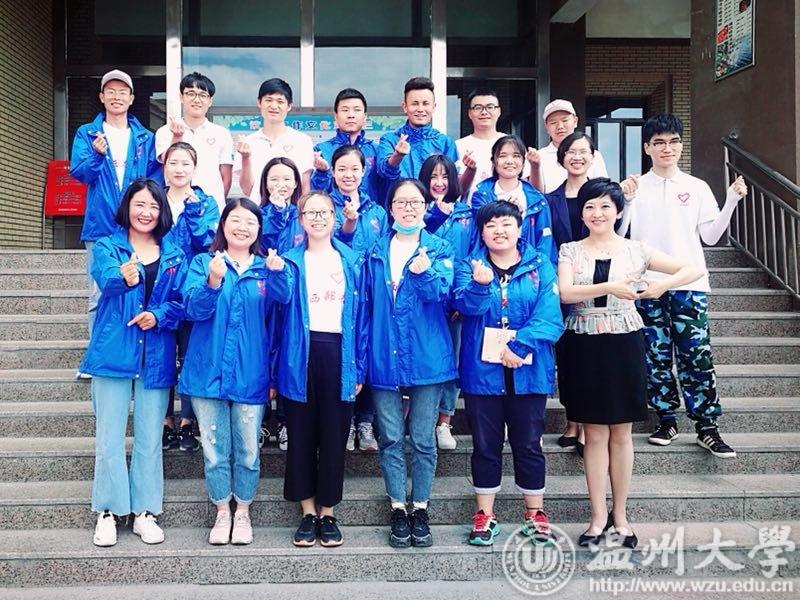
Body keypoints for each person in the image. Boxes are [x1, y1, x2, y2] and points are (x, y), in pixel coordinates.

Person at [557, 178, 703, 549]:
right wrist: (608, 287)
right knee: (594, 433)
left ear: (619, 211)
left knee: (621, 433)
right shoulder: (570, 250)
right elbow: (567, 293)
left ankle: (620, 516)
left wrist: (659, 287)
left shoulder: (636, 249)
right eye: (590, 206)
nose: (597, 213)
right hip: (584, 342)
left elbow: (692, 269)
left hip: (624, 341)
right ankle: (597, 517)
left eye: (605, 206)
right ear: (582, 213)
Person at [620, 113, 747, 458]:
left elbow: (711, 236)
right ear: (647, 147)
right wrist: (626, 201)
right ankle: (666, 419)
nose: (667, 148)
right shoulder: (635, 187)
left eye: (674, 141)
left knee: (697, 355)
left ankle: (707, 426)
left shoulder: (696, 187)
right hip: (647, 286)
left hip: (690, 285)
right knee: (655, 356)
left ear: (680, 145)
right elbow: (621, 235)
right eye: (659, 142)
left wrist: (731, 201)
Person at [78, 178, 185, 547]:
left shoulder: (174, 254)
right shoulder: (109, 246)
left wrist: (159, 315)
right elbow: (106, 279)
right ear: (127, 207)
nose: (146, 212)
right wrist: (122, 277)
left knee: (150, 439)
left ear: (162, 212)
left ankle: (144, 512)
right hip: (113, 353)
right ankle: (108, 511)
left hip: (155, 355)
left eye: (154, 206)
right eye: (140, 204)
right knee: (109, 438)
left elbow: (181, 303)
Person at [179, 198, 290, 546]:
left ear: (259, 229)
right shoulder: (203, 263)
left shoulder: (265, 268)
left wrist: (277, 273)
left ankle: (242, 510)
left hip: (251, 374)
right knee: (214, 451)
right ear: (223, 224)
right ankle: (221, 511)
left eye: (250, 222)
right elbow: (192, 310)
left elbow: (281, 311)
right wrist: (213, 281)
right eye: (236, 220)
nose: (242, 228)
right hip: (207, 373)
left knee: (248, 451)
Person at [453, 200, 564, 547]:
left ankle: (535, 513)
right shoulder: (469, 266)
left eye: (506, 224)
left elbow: (550, 315)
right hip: (482, 372)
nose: (499, 231)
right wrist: (479, 285)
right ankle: (485, 514)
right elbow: (463, 307)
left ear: (519, 228)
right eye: (491, 225)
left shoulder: (540, 265)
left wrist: (521, 345)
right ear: (481, 232)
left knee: (529, 443)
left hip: (529, 371)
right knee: (485, 444)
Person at [364, 178, 457, 548]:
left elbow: (442, 293)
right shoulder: (375, 250)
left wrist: (423, 273)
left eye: (415, 202)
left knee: (422, 438)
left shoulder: (439, 248)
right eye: (401, 202)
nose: (408, 208)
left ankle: (420, 506)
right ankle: (397, 507)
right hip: (383, 355)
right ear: (390, 208)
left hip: (427, 355)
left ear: (425, 206)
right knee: (389, 437)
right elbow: (364, 307)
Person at [274, 191, 366, 547]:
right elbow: (279, 308)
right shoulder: (289, 261)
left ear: (335, 217)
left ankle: (328, 512)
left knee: (333, 435)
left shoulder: (351, 260)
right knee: (300, 435)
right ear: (301, 220)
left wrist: (359, 367)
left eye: (324, 212)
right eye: (310, 212)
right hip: (299, 353)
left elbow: (362, 317)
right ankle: (307, 512)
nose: (317, 218)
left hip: (340, 352)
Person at [70, 69, 162, 343]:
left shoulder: (145, 137)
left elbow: (154, 181)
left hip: (137, 227)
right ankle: (97, 354)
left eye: (122, 92)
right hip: (100, 226)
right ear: (102, 97)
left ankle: (131, 350)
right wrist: (97, 156)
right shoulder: (88, 133)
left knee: (138, 289)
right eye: (110, 91)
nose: (116, 97)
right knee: (99, 293)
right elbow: (80, 173)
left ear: (131, 98)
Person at [159, 141, 220, 453]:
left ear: (195, 168)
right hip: (160, 288)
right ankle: (164, 420)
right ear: (164, 166)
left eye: (185, 163)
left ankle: (187, 421)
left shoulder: (206, 203)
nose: (179, 169)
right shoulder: (154, 199)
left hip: (193, 287)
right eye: (173, 162)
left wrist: (194, 213)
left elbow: (209, 242)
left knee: (189, 354)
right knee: (161, 356)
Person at [329, 144, 387, 452]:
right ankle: (347, 420)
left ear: (364, 172)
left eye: (354, 169)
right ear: (333, 172)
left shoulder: (377, 212)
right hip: (337, 292)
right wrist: (346, 225)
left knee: (367, 352)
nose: (348, 174)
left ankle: (366, 421)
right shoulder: (325, 206)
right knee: (343, 353)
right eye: (342, 169)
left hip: (371, 292)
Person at [419, 154, 471, 451]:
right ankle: (418, 421)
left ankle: (444, 422)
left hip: (454, 303)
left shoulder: (467, 215)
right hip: (423, 301)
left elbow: (471, 256)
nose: (439, 183)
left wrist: (461, 299)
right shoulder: (415, 209)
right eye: (433, 177)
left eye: (445, 176)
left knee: (452, 360)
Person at [257, 156, 305, 452]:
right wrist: (275, 213)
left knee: (290, 356)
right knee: (262, 354)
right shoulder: (258, 213)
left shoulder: (304, 215)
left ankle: (286, 421)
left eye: (287, 178)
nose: (281, 184)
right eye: (274, 179)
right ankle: (263, 420)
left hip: (295, 297)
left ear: (297, 182)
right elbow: (263, 244)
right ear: (264, 183)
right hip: (264, 295)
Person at [154, 72, 233, 212]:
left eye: (203, 95)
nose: (197, 100)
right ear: (181, 97)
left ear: (210, 101)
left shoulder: (222, 134)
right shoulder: (164, 132)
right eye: (191, 93)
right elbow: (166, 165)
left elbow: (226, 178)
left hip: (210, 210)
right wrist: (177, 137)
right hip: (174, 208)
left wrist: (215, 203)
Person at [471, 135, 556, 264]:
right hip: (490, 264)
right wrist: (511, 212)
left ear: (523, 162)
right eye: (503, 156)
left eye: (516, 156)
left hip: (529, 266)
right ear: (494, 161)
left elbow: (544, 241)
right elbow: (479, 230)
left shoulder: (537, 200)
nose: (509, 161)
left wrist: (538, 269)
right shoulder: (481, 195)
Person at [233, 78, 314, 203]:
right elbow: (247, 189)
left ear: (289, 106)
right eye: (268, 100)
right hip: (258, 211)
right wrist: (245, 157)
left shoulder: (302, 141)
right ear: (259, 102)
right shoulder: (248, 142)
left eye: (280, 101)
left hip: (291, 212)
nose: (274, 106)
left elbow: (304, 187)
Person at [376, 77, 458, 191]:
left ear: (433, 107)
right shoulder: (389, 140)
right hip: (400, 201)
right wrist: (397, 155)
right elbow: (384, 173)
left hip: (433, 202)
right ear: (405, 107)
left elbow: (452, 183)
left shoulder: (445, 143)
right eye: (415, 104)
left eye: (425, 104)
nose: (420, 109)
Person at [455, 86, 531, 201]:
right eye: (478, 107)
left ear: (499, 111)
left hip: (510, 209)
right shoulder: (458, 146)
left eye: (490, 107)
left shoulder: (513, 144)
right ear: (470, 113)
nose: (484, 112)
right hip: (470, 210)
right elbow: (455, 190)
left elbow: (525, 182)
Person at [311, 88, 381, 203]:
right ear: (336, 115)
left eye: (357, 110)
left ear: (365, 116)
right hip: (333, 212)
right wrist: (322, 172)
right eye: (345, 110)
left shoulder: (376, 150)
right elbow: (316, 193)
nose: (351, 115)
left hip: (369, 212)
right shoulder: (321, 150)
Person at [528, 99, 608, 194]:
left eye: (565, 120)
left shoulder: (593, 155)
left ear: (575, 121)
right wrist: (535, 167)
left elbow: (603, 190)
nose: (560, 126)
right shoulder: (537, 157)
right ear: (546, 127)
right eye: (553, 122)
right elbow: (533, 194)